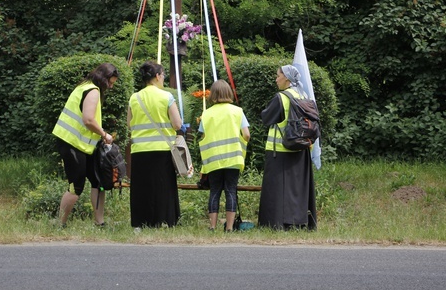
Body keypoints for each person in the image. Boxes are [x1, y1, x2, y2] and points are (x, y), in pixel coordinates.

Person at [52, 63, 119, 228]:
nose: (111, 87)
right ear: (103, 79)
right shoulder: (93, 91)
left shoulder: (85, 86)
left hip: (83, 145)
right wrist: (104, 134)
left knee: (98, 181)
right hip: (72, 143)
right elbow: (88, 119)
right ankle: (59, 224)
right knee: (76, 185)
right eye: (110, 82)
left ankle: (100, 222)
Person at [257, 64, 317, 230]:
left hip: (280, 151)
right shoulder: (304, 96)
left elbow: (266, 118)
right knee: (297, 189)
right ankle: (298, 222)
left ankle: (275, 223)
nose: (276, 79)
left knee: (278, 190)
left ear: (287, 78)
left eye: (278, 75)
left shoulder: (281, 97)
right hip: (302, 149)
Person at [127, 61, 184, 228]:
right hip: (162, 149)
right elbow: (177, 124)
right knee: (163, 187)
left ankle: (140, 223)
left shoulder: (134, 97)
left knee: (141, 189)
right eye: (163, 75)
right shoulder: (166, 96)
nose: (164, 78)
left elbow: (129, 124)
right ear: (157, 76)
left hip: (139, 150)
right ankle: (165, 221)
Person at [197, 79, 251, 232]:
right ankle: (229, 228)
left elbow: (202, 136)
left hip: (213, 160)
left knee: (215, 191)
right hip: (233, 159)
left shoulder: (206, 114)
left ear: (212, 95)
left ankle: (212, 227)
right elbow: (246, 134)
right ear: (229, 93)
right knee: (230, 191)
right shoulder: (237, 111)